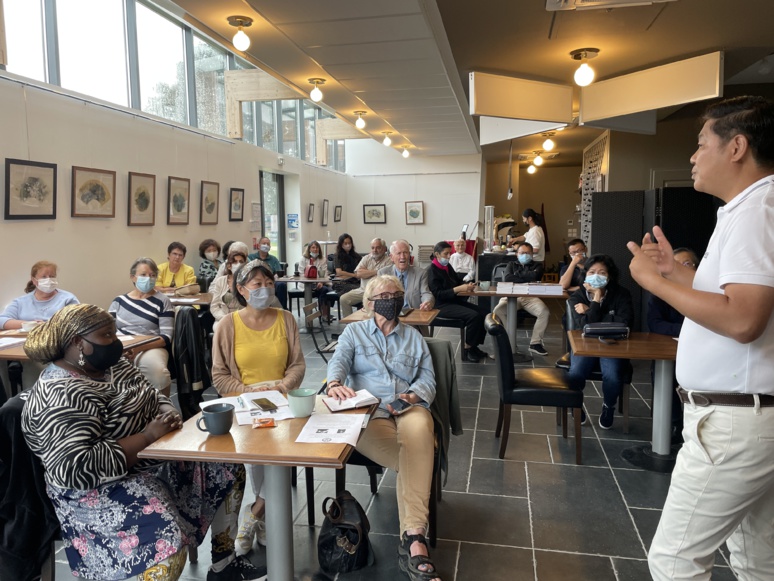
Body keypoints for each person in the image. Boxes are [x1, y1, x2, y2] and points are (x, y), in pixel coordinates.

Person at [627, 95, 774, 580]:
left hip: (733, 421)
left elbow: (742, 320)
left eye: (700, 144)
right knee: (757, 561)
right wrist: (674, 271)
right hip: (747, 415)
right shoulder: (746, 209)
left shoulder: (758, 212)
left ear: (736, 147)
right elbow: (731, 298)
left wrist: (653, 282)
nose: (692, 156)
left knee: (674, 561)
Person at [20, 304, 263, 581]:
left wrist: (164, 410)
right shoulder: (60, 394)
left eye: (114, 332)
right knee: (166, 544)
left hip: (152, 460)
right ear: (78, 343)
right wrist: (147, 436)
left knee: (227, 468)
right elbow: (77, 468)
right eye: (106, 336)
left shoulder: (113, 366)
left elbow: (148, 393)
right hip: (100, 489)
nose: (116, 342)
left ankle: (224, 565)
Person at [325, 275, 440, 581]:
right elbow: (339, 360)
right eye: (384, 295)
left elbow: (427, 377)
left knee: (419, 431)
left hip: (408, 407)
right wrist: (334, 383)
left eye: (396, 294)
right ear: (370, 302)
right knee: (417, 455)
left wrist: (413, 395)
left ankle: (414, 535)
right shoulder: (354, 332)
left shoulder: (413, 336)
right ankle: (414, 540)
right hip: (369, 412)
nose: (391, 299)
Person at [211, 259, 305, 557]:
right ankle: (263, 518)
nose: (265, 289)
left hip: (283, 399)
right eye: (257, 285)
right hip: (244, 402)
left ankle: (255, 514)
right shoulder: (227, 324)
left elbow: (297, 365)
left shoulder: (286, 318)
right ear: (241, 289)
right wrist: (247, 390)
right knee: (256, 458)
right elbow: (219, 375)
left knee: (282, 454)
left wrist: (280, 387)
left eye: (268, 283)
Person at [567, 254, 633, 429]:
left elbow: (624, 322)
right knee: (576, 373)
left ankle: (608, 406)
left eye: (602, 272)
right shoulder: (578, 296)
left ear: (609, 276)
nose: (597, 275)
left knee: (612, 376)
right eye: (592, 271)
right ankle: (576, 404)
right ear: (585, 274)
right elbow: (584, 326)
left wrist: (591, 310)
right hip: (584, 345)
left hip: (613, 344)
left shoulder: (621, 294)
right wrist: (596, 299)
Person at [646, 247, 699, 439]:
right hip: (670, 348)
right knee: (665, 375)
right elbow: (655, 323)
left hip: (701, 352)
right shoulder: (661, 293)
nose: (681, 269)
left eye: (686, 264)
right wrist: (690, 330)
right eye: (675, 265)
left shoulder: (707, 292)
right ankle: (673, 423)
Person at [108, 258, 174, 396]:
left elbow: (166, 337)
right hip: (121, 346)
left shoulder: (163, 301)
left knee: (157, 371)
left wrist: (137, 348)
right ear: (133, 277)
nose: (148, 278)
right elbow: (108, 331)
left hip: (151, 346)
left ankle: (164, 410)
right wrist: (120, 348)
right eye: (143, 275)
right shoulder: (119, 301)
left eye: (152, 275)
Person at [428, 241, 490, 363]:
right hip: (440, 306)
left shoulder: (447, 266)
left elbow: (456, 280)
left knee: (484, 312)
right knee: (474, 316)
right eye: (445, 254)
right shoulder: (432, 270)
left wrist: (467, 285)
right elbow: (438, 294)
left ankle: (474, 345)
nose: (448, 256)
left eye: (449, 253)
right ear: (437, 254)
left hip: (452, 301)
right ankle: (467, 349)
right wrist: (457, 289)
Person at [492, 242, 550, 355]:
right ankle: (509, 342)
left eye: (528, 253)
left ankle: (535, 343)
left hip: (530, 296)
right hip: (511, 295)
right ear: (517, 254)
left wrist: (518, 275)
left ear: (532, 254)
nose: (525, 255)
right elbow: (507, 278)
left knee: (544, 312)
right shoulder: (511, 264)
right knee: (497, 311)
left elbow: (536, 276)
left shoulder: (538, 265)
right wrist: (527, 276)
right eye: (522, 253)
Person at [0, 261, 79, 329]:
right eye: (44, 277)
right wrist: (31, 325)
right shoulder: (21, 302)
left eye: (52, 276)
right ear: (34, 280)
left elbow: (77, 322)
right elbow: (2, 320)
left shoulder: (67, 299)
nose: (49, 279)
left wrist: (46, 325)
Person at [340, 238, 392, 316]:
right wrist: (377, 272)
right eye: (373, 248)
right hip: (363, 290)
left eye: (378, 247)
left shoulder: (389, 261)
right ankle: (349, 326)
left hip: (379, 292)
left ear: (384, 249)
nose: (375, 250)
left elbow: (385, 276)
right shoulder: (366, 258)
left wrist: (366, 272)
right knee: (343, 299)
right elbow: (358, 274)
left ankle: (372, 325)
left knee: (371, 302)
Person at [378, 239, 435, 311]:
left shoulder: (420, 273)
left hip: (413, 313)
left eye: (405, 252)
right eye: (398, 253)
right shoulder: (383, 273)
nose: (402, 257)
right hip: (391, 313)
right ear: (391, 257)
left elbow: (426, 293)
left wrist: (427, 302)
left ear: (409, 255)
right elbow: (379, 296)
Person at [248, 237, 288, 310]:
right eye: (264, 243)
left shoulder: (273, 259)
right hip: (256, 282)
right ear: (259, 246)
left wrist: (275, 276)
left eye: (268, 244)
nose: (266, 245)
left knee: (281, 285)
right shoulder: (251, 257)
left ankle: (282, 310)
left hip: (270, 282)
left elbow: (278, 272)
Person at [210, 249, 248, 326]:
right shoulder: (220, 281)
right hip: (223, 318)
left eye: (241, 262)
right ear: (229, 266)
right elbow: (214, 306)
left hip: (244, 318)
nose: (238, 264)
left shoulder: (249, 281)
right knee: (219, 329)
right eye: (235, 262)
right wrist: (224, 318)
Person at [302, 240, 334, 320]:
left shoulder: (322, 259)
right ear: (309, 249)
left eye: (317, 248)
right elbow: (301, 274)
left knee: (325, 290)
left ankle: (323, 313)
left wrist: (321, 282)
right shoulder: (303, 259)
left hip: (320, 284)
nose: (315, 249)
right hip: (306, 284)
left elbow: (325, 273)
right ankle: (321, 314)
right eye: (313, 247)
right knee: (324, 290)